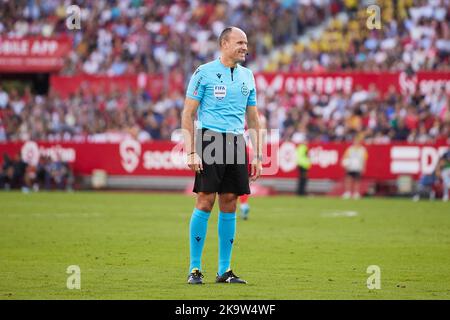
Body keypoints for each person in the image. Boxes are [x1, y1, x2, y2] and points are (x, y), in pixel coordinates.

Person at [181, 27, 262, 285]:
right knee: (205, 201)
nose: (244, 47)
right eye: (239, 42)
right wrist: (191, 150)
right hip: (210, 139)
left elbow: (253, 118)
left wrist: (258, 155)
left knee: (230, 201)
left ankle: (224, 271)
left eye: (246, 43)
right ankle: (194, 269)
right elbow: (187, 113)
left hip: (237, 141)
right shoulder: (203, 73)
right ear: (224, 44)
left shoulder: (248, 76)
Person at [341, 134, 368, 199]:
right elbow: (345, 158)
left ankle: (356, 193)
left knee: (357, 180)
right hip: (350, 167)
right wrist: (346, 165)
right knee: (348, 179)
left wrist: (363, 167)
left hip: (358, 167)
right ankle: (348, 192)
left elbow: (364, 159)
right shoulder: (350, 149)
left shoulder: (362, 150)